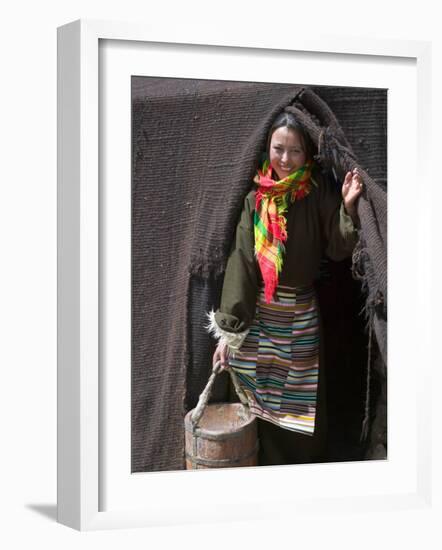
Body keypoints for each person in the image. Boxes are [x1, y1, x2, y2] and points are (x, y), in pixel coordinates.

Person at [207, 111, 363, 466]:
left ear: (306, 153)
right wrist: (229, 334)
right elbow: (243, 263)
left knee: (298, 405)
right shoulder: (255, 199)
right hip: (259, 314)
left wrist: (349, 208)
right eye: (279, 149)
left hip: (300, 314)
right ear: (267, 148)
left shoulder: (319, 190)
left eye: (294, 151)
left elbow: (338, 246)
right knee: (255, 401)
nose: (285, 159)